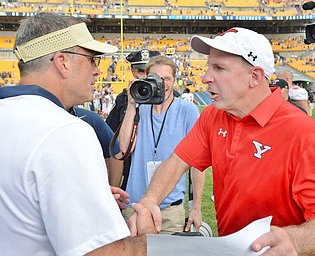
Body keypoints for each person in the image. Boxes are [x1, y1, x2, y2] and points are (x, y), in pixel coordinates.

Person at [132, 27, 315, 255]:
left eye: (219, 68)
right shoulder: (213, 115)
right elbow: (177, 161)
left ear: (255, 77)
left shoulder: (302, 132)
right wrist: (150, 200)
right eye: (209, 66)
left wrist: (294, 239)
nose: (205, 77)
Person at [0, 12, 156, 255]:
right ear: (63, 62)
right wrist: (147, 238)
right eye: (92, 59)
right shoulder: (66, 130)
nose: (97, 71)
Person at [118, 55, 205, 234]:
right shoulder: (139, 108)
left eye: (167, 78)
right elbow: (124, 148)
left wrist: (196, 208)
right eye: (156, 78)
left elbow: (198, 164)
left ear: (174, 81)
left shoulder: (187, 110)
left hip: (170, 209)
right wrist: (131, 105)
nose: (162, 84)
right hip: (136, 205)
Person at [106, 49, 160, 189]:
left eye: (150, 71)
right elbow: (109, 133)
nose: (145, 76)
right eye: (141, 71)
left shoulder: (170, 99)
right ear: (133, 71)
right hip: (131, 171)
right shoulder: (124, 99)